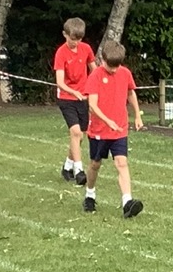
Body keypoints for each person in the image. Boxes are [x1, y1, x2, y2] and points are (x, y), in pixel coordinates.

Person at [82, 39, 145, 217]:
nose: (114, 70)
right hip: (99, 130)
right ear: (102, 60)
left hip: (119, 129)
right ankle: (90, 194)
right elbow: (92, 105)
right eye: (111, 66)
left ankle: (127, 202)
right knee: (95, 164)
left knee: (121, 163)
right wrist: (107, 121)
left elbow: (131, 93)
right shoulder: (95, 76)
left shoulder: (125, 73)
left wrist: (137, 115)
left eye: (117, 66)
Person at [54, 17, 96, 184]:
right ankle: (79, 171)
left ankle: (67, 166)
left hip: (83, 98)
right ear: (65, 34)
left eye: (79, 39)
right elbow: (60, 82)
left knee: (80, 137)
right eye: (73, 39)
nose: (76, 42)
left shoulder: (86, 49)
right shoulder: (61, 53)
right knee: (76, 132)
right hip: (66, 98)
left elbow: (94, 71)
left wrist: (94, 89)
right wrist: (74, 92)